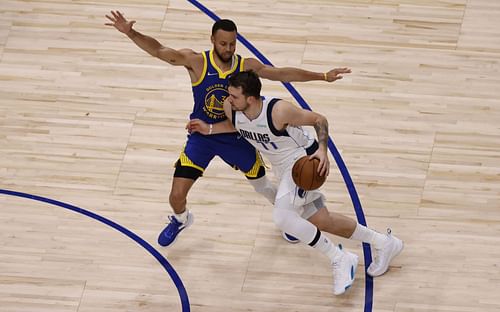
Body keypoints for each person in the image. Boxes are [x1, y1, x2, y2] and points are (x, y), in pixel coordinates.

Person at [105, 10, 352, 247]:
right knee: (176, 195)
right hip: (202, 134)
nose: (228, 49)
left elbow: (281, 74)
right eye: (223, 44)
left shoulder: (245, 66)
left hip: (236, 136)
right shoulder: (197, 62)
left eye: (232, 44)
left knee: (262, 185)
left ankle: (289, 217)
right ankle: (181, 219)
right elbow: (159, 50)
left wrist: (322, 76)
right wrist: (131, 33)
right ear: (212, 40)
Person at [187, 70, 404, 295]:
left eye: (234, 96)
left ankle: (340, 257)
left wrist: (322, 149)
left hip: (302, 162)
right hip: (282, 168)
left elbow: (319, 119)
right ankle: (384, 242)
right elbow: (241, 127)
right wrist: (210, 129)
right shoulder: (231, 108)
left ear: (250, 98)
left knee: (282, 217)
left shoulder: (279, 111)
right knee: (321, 220)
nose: (228, 99)